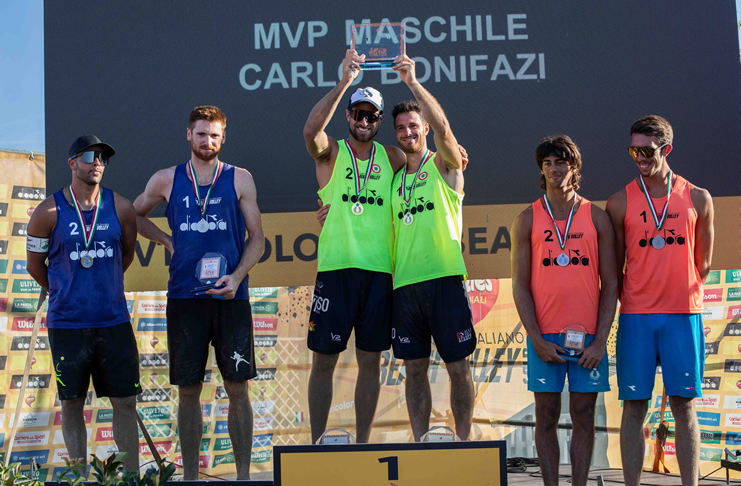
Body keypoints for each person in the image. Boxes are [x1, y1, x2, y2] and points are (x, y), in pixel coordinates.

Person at [133, 106, 264, 479]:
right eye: (202, 134)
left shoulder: (240, 179)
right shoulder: (165, 179)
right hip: (185, 300)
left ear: (224, 138)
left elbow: (258, 239)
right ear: (189, 135)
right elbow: (135, 214)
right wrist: (166, 240)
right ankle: (190, 477)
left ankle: (242, 476)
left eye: (215, 135)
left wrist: (237, 277)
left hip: (230, 298)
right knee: (188, 392)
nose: (209, 142)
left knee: (238, 389)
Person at [302, 49, 408, 444]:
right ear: (348, 116)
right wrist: (344, 81)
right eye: (357, 114)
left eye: (371, 116)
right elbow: (310, 132)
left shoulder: (392, 156)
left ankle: (363, 444)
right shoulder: (331, 152)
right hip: (336, 270)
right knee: (323, 362)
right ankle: (315, 443)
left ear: (380, 121)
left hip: (379, 274)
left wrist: (456, 160)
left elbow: (427, 165)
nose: (364, 121)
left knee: (370, 362)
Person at [605, 115, 714, 486]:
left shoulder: (698, 197)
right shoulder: (619, 202)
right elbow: (616, 264)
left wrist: (677, 288)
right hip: (637, 316)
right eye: (633, 149)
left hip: (682, 315)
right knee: (634, 407)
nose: (639, 157)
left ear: (666, 150)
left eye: (647, 150)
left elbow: (705, 264)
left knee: (685, 407)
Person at [26, 135, 139, 473]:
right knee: (72, 404)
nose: (97, 163)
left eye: (103, 157)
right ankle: (79, 477)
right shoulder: (47, 211)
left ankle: (130, 478)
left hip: (113, 322)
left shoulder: (121, 206)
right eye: (90, 156)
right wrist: (62, 292)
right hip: (68, 326)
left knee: (125, 402)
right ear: (73, 163)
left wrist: (104, 289)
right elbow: (35, 265)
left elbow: (127, 253)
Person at [511, 135, 618, 486]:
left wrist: (600, 341)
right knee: (546, 415)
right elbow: (520, 286)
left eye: (561, 162)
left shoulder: (596, 216)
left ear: (575, 167)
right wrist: (537, 339)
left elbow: (611, 285)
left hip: (587, 337)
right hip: (546, 336)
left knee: (584, 415)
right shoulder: (527, 218)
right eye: (548, 164)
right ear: (542, 170)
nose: (554, 169)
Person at [389, 54, 475, 441]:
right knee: (414, 369)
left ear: (424, 127)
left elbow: (444, 127)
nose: (408, 132)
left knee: (459, 368)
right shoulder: (392, 180)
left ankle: (465, 439)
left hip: (445, 280)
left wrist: (412, 83)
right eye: (401, 128)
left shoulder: (445, 164)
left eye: (414, 125)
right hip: (405, 287)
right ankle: (421, 441)